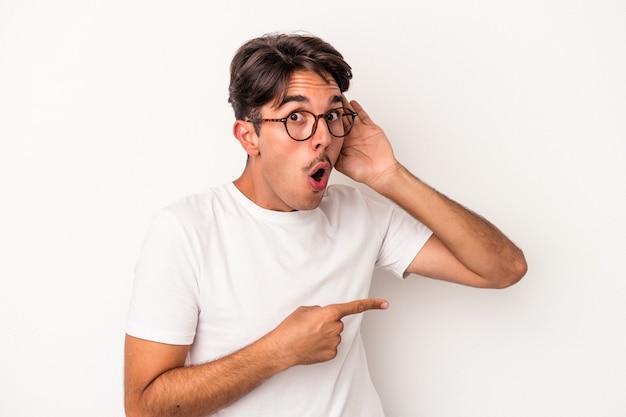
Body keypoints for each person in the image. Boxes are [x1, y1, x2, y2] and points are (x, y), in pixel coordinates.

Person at [124, 32, 527, 417]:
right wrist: (278, 351)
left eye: (332, 115)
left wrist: (389, 175)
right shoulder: (185, 230)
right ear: (249, 136)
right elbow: (144, 406)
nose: (322, 138)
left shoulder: (359, 212)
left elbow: (502, 269)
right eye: (296, 116)